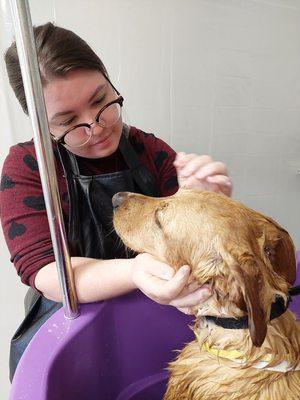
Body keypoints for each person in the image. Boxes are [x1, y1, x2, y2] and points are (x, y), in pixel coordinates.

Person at [0, 22, 232, 380]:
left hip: (158, 316)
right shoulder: (29, 168)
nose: (96, 127)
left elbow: (195, 246)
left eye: (100, 101)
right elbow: (46, 272)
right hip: (73, 329)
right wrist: (136, 271)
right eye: (69, 122)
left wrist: (205, 203)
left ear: (109, 80)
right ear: (41, 125)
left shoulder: (146, 149)